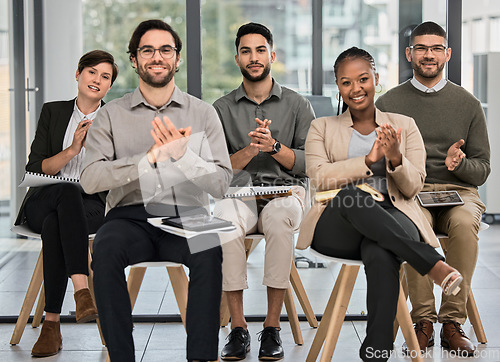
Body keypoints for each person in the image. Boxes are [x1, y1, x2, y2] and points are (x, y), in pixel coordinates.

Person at [80, 20, 232, 362]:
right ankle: (121, 356)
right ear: (134, 60)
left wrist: (184, 156)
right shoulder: (111, 116)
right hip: (127, 217)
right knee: (104, 250)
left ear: (177, 59)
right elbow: (90, 179)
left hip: (189, 214)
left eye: (166, 49)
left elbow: (222, 184)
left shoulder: (203, 113)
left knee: (210, 249)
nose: (157, 57)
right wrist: (148, 159)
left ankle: (202, 357)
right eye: (147, 50)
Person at [300, 46, 464, 362]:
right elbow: (319, 178)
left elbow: (414, 185)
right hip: (336, 224)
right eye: (346, 82)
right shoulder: (322, 127)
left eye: (363, 79)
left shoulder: (405, 124)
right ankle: (433, 264)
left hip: (393, 215)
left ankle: (376, 351)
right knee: (354, 195)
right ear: (338, 86)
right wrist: (368, 159)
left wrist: (394, 157)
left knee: (380, 251)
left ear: (376, 77)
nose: (355, 88)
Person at [376, 21, 490, 356]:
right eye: (422, 48)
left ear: (448, 54)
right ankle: (422, 321)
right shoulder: (390, 103)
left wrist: (461, 166)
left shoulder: (467, 103)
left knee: (466, 224)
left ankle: (452, 323)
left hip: (460, 192)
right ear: (410, 53)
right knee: (411, 224)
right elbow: (375, 163)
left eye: (436, 48)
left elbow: (482, 169)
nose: (429, 55)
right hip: (412, 190)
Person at [212, 22, 315, 361]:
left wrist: (273, 147)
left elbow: (308, 163)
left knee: (281, 218)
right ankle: (238, 328)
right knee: (223, 217)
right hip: (238, 196)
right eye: (246, 51)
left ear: (272, 54)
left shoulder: (298, 105)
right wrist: (249, 151)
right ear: (237, 58)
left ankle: (272, 327)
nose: (253, 58)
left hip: (285, 194)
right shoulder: (221, 108)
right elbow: (215, 169)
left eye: (260, 50)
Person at [14, 50, 118, 357]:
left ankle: (52, 326)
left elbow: (117, 175)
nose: (97, 80)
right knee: (64, 193)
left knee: (56, 225)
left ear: (110, 86)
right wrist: (72, 150)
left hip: (91, 204)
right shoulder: (54, 112)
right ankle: (82, 290)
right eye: (92, 72)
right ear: (78, 74)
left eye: (105, 77)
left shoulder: (114, 119)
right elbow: (35, 168)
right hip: (44, 197)